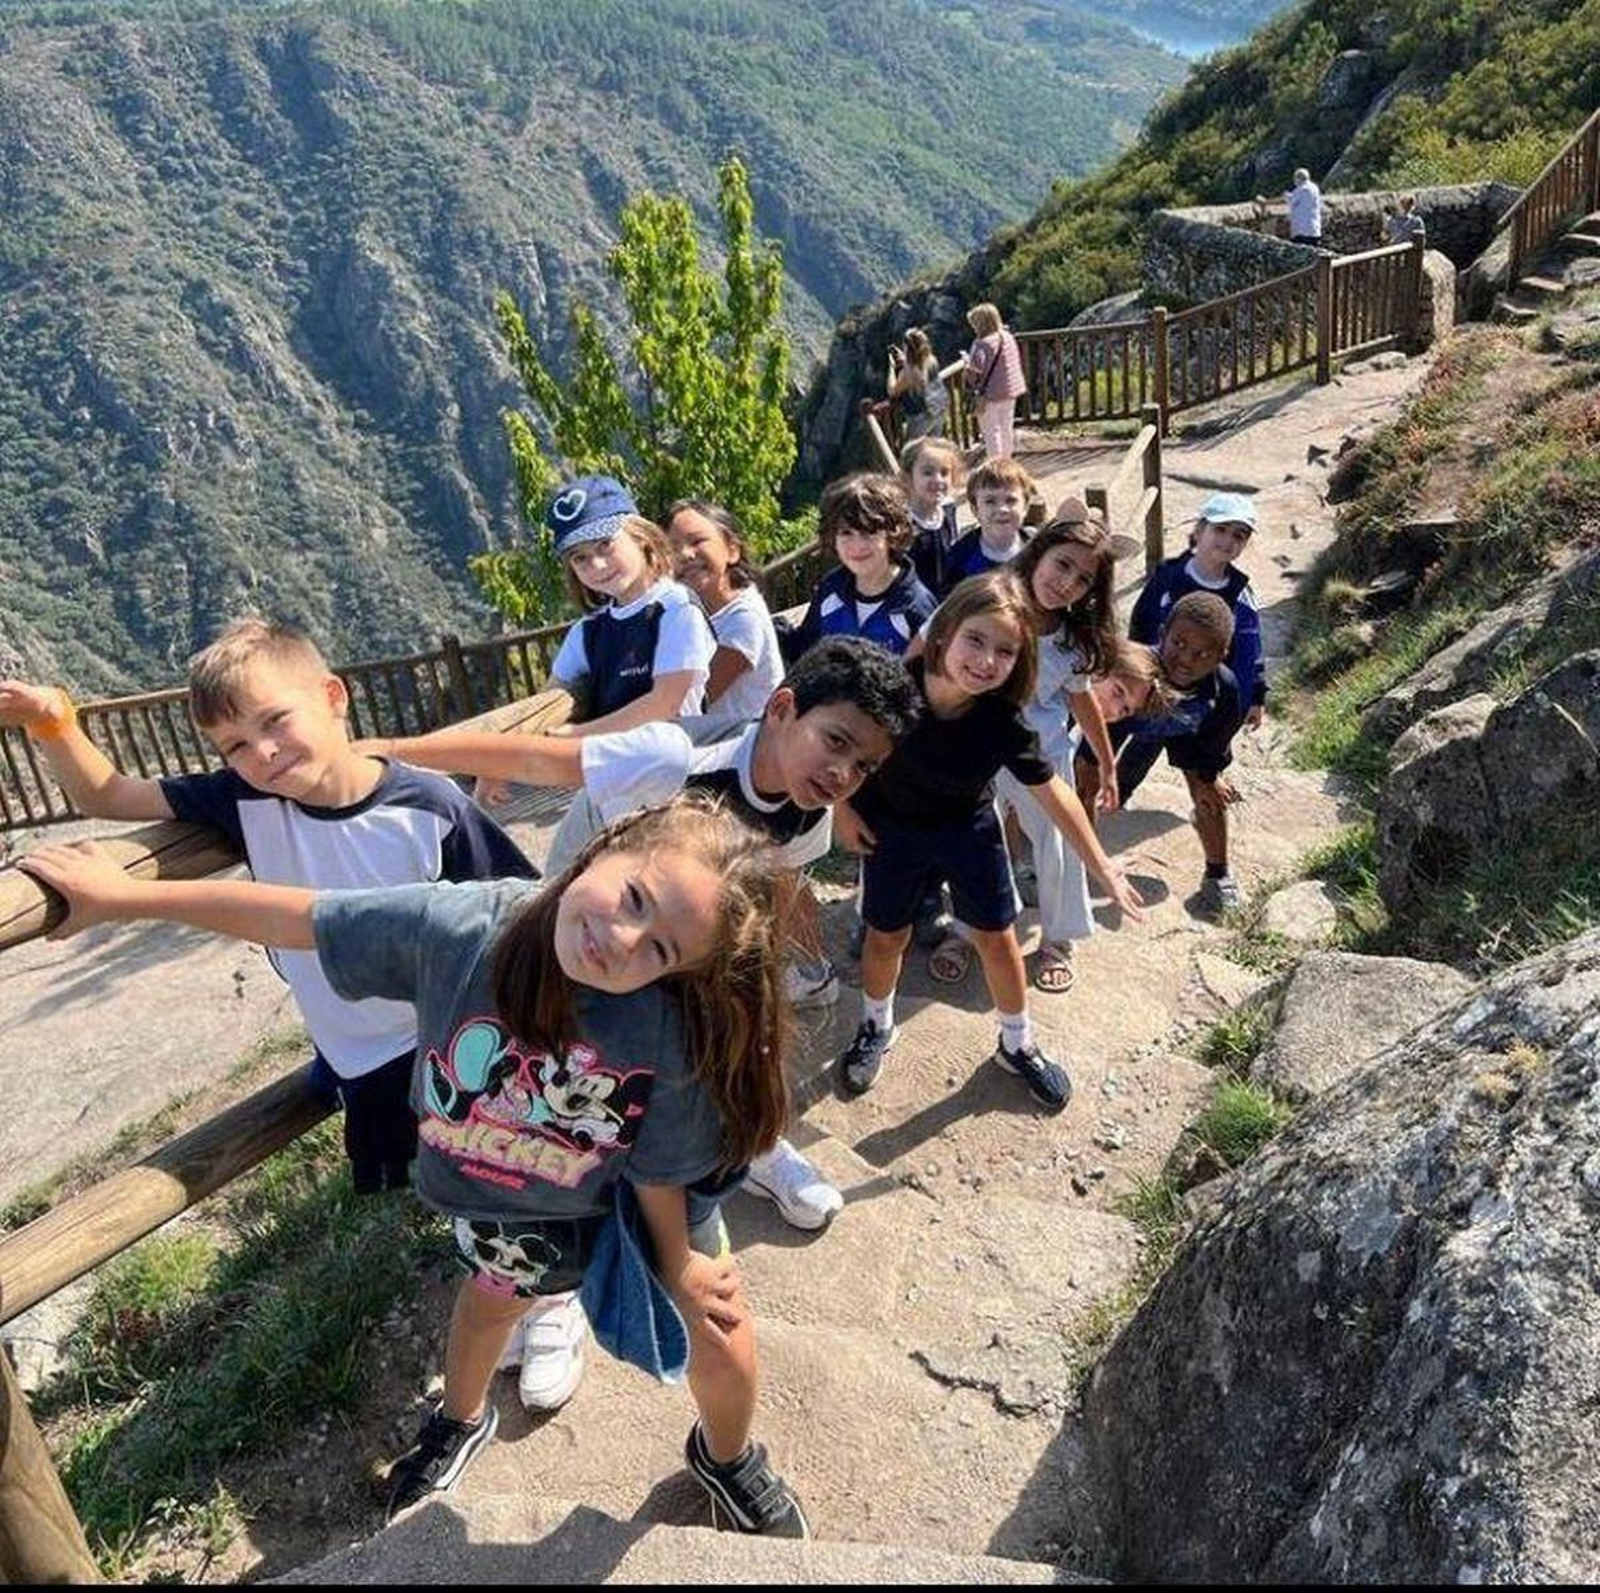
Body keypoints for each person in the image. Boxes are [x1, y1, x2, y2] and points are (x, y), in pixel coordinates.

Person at [20, 797, 812, 1538]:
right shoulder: (463, 928)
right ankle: (460, 1417)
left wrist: (676, 1266)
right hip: (507, 1199)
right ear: (605, 847)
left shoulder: (663, 1025)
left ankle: (726, 1451)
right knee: (487, 1307)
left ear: (678, 974)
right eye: (634, 897)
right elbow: (303, 916)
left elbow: (658, 1170)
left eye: (662, 948)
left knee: (723, 1331)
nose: (624, 941)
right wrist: (121, 900)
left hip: (633, 1201)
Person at [358, 636, 921, 1240]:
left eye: (863, 765)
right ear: (782, 707)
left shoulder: (811, 816)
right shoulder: (675, 756)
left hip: (678, 938)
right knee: (569, 1048)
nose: (842, 773)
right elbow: (538, 761)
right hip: (588, 923)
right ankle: (546, 1223)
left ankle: (748, 1143)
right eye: (836, 741)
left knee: (729, 1022)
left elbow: (769, 891)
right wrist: (388, 753)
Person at [0, 619, 534, 1201]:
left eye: (275, 720)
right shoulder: (246, 800)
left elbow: (519, 924)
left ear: (332, 696)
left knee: (496, 1178)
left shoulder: (430, 808)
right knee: (422, 1185)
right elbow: (108, 796)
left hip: (448, 1043)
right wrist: (52, 722)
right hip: (353, 1053)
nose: (263, 752)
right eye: (235, 745)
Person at [833, 571, 1144, 1111]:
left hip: (969, 830)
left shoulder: (1002, 719)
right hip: (893, 830)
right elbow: (839, 741)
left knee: (998, 941)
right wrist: (841, 808)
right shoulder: (891, 687)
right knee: (885, 939)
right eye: (975, 640)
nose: (986, 660)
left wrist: (1104, 868)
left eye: (1005, 651)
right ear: (944, 631)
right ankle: (876, 1026)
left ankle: (1017, 1044)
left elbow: (1055, 795)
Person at [995, 506, 1155, 995]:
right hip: (977, 747)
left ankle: (1059, 938)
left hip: (1041, 753)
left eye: (1083, 579)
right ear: (1039, 552)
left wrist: (1107, 763)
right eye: (1063, 564)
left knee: (1059, 844)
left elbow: (1080, 696)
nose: (1067, 583)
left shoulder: (1073, 640)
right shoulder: (990, 602)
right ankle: (970, 928)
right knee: (976, 839)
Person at [1079, 592, 1246, 916]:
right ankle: (1079, 858)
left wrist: (1209, 774)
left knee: (1209, 795)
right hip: (1128, 722)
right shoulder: (1136, 672)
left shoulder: (1224, 689)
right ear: (1162, 634)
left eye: (1202, 653)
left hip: (1187, 730)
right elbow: (1104, 718)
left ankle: (1218, 874)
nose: (1186, 659)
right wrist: (1095, 763)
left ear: (1221, 656)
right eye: (1179, 644)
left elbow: (1219, 733)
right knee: (1085, 781)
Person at [545, 475, 715, 737]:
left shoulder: (676, 608)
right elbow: (548, 702)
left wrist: (576, 735)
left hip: (677, 768)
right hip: (609, 768)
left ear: (640, 538)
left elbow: (664, 705)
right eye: (580, 558)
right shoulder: (585, 633)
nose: (597, 565)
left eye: (605, 545)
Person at [1129, 491, 1265, 729]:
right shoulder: (1167, 579)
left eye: (1239, 535)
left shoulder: (1241, 595)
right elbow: (1141, 625)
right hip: (1158, 687)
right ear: (1199, 531)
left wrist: (1254, 697)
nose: (1228, 540)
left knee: (1200, 759)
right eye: (1220, 529)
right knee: (1143, 746)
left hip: (1207, 698)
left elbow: (1250, 650)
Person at [783, 474, 935, 661]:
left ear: (893, 534)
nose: (857, 545)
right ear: (832, 538)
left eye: (869, 532)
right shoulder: (831, 589)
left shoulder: (916, 606)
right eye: (846, 533)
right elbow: (805, 648)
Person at [666, 500, 784, 738]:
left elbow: (696, 700)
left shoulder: (742, 618)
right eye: (671, 550)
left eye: (697, 541)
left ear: (732, 550)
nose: (685, 555)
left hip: (753, 750)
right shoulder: (695, 613)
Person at [935, 456, 1036, 597]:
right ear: (975, 509)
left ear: (1025, 507)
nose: (1002, 509)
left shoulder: (1038, 549)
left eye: (1011, 500)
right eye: (990, 501)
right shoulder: (959, 558)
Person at [901, 435, 965, 599]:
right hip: (915, 604)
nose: (937, 480)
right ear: (908, 477)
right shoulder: (903, 523)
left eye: (944, 473)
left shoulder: (947, 510)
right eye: (927, 472)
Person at [962, 302, 1027, 461]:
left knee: (991, 432)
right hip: (1011, 390)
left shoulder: (982, 344)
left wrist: (966, 363)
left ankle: (996, 466)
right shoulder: (1007, 337)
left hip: (990, 395)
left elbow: (974, 374)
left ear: (980, 323)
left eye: (974, 323)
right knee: (1006, 428)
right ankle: (1007, 461)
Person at [888, 328, 944, 444]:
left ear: (907, 348)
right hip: (937, 410)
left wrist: (891, 368)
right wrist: (905, 360)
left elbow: (892, 391)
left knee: (914, 454)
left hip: (919, 418)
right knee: (934, 447)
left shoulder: (908, 372)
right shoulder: (931, 360)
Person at [1281, 168, 1322, 247]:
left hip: (1302, 230)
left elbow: (1291, 201)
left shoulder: (1301, 189)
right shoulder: (1314, 188)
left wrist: (1285, 196)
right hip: (1314, 229)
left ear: (1298, 178)